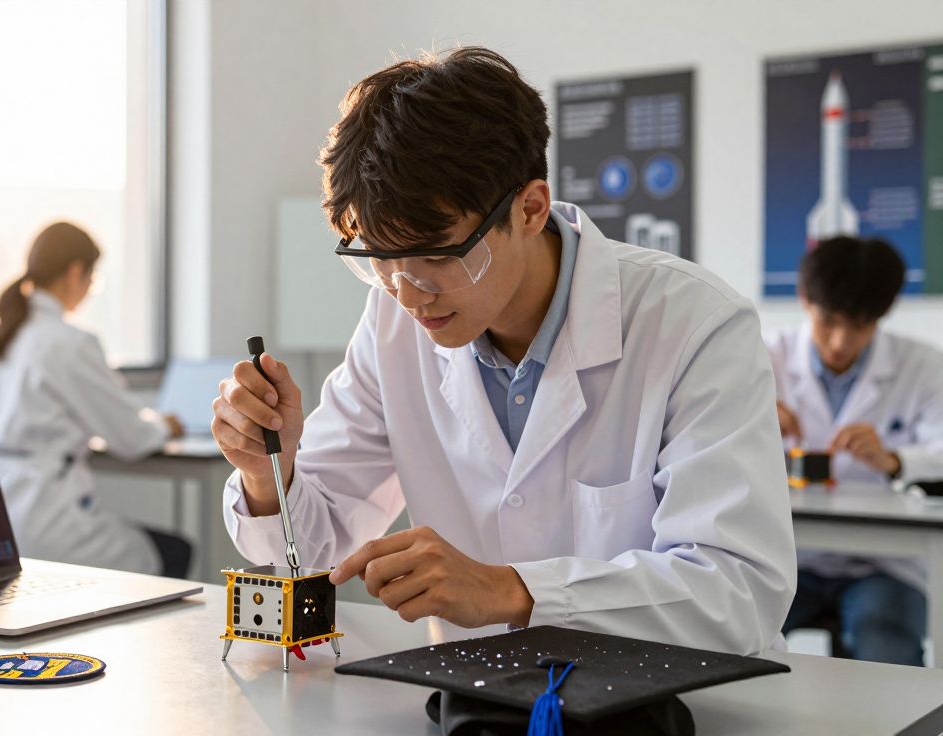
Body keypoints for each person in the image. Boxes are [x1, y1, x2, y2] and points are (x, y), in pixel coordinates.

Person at [212, 47, 796, 654]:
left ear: (530, 208)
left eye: (440, 254)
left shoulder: (694, 322)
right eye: (380, 258)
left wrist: (513, 590)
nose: (408, 292)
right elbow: (318, 546)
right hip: (482, 696)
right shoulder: (392, 322)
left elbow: (739, 593)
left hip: (678, 700)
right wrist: (265, 474)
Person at [0, 221, 191, 578]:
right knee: (175, 551)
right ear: (76, 271)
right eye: (92, 280)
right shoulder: (70, 343)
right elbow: (132, 438)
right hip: (47, 522)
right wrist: (162, 424)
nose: (89, 290)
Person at [769, 236, 943, 665]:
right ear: (804, 298)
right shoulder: (760, 357)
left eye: (860, 325)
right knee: (736, 648)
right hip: (786, 559)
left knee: (886, 651)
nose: (840, 341)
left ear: (883, 315)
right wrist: (750, 421)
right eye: (829, 320)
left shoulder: (922, 366)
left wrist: (896, 460)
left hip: (883, 564)